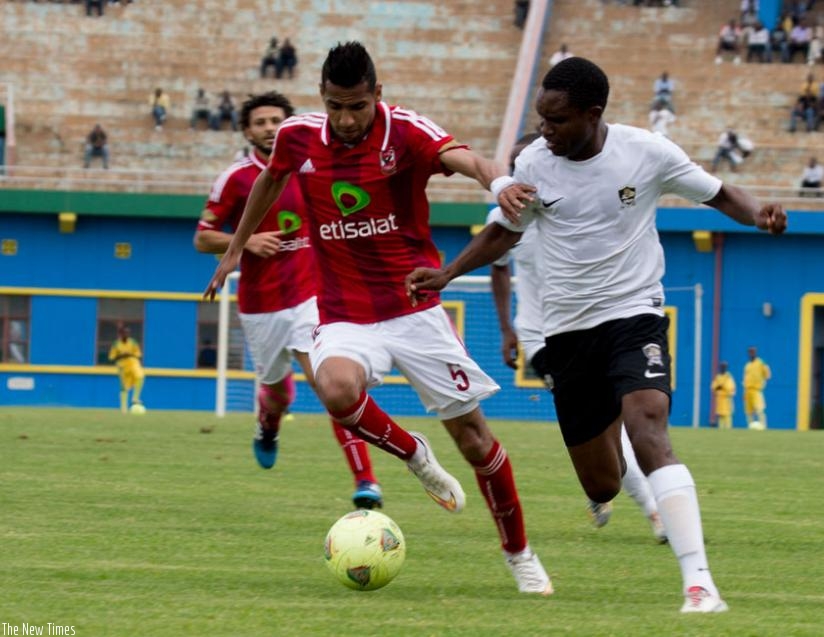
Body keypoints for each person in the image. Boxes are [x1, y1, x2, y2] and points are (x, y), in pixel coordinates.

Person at [405, 56, 787, 612]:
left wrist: (759, 215)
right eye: (540, 118)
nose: (544, 130)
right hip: (566, 334)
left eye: (555, 120)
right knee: (602, 484)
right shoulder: (535, 163)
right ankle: (623, 465)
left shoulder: (646, 151)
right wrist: (445, 273)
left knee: (649, 420)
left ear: (593, 114)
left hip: (635, 313)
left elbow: (720, 193)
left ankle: (699, 584)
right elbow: (502, 235)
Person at [205, 42, 553, 595]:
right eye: (336, 106)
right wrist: (234, 249)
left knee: (475, 441)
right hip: (345, 311)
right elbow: (271, 180)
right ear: (323, 98)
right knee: (335, 389)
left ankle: (520, 554)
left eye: (358, 106)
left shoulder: (406, 132)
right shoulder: (299, 137)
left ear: (378, 96)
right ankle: (413, 453)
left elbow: (469, 160)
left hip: (414, 308)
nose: (346, 119)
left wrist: (500, 183)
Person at [194, 90, 383, 510]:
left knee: (331, 382)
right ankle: (268, 421)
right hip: (261, 305)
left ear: (289, 124)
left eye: (275, 120)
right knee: (278, 392)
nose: (268, 128)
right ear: (247, 130)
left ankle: (365, 480)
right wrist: (244, 242)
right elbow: (201, 237)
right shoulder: (236, 178)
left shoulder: (314, 167)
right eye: (259, 122)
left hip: (312, 298)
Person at [491, 133, 666, 543]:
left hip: (599, 329)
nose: (522, 176)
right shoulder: (505, 218)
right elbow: (498, 265)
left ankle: (638, 500)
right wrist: (506, 328)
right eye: (515, 168)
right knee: (610, 431)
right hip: (546, 341)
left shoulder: (572, 207)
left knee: (623, 420)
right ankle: (652, 509)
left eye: (526, 165)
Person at [108, 324, 145, 414]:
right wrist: (121, 355)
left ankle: (135, 398)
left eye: (128, 333)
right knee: (124, 388)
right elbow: (111, 357)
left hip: (133, 363)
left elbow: (138, 354)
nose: (127, 334)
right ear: (120, 334)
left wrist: (130, 354)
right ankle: (123, 409)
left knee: (140, 376)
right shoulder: (116, 344)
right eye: (124, 333)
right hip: (122, 367)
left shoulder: (133, 342)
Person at [743, 346, 771, 428]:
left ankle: (763, 426)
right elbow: (745, 379)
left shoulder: (761, 362)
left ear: (755, 353)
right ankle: (750, 426)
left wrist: (764, 381)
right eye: (750, 352)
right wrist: (744, 392)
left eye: (753, 352)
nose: (751, 354)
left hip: (756, 390)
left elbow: (767, 374)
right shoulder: (747, 365)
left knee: (759, 409)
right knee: (748, 412)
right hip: (748, 390)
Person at [711, 361, 736, 429]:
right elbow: (713, 387)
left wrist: (721, 387)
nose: (722, 368)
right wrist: (719, 387)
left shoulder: (728, 377)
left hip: (727, 399)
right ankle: (721, 429)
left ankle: (728, 429)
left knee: (727, 415)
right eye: (721, 367)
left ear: (726, 368)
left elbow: (730, 388)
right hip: (719, 399)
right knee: (720, 415)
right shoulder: (718, 377)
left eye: (724, 367)